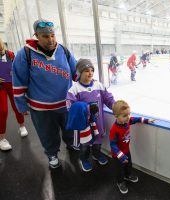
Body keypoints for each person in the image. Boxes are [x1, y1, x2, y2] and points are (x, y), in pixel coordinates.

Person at [12, 19, 77, 169]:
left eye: (52, 35)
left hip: (65, 103)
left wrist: (89, 85)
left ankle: (71, 144)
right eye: (45, 36)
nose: (51, 39)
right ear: (37, 36)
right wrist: (21, 105)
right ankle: (52, 154)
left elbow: (75, 73)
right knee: (47, 133)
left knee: (69, 127)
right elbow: (19, 81)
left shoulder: (64, 51)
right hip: (41, 108)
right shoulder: (25, 54)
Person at [66, 59, 115, 172]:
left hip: (98, 122)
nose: (90, 73)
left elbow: (108, 98)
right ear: (79, 73)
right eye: (86, 70)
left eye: (92, 70)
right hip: (85, 126)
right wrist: (85, 108)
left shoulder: (98, 85)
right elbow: (70, 107)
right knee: (85, 145)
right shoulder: (74, 89)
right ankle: (84, 159)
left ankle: (96, 154)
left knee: (98, 141)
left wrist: (114, 106)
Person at [109, 100, 155, 194]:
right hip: (118, 155)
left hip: (126, 150)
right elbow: (113, 144)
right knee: (120, 169)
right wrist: (121, 156)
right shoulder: (114, 130)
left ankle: (128, 175)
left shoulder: (127, 121)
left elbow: (135, 119)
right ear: (116, 116)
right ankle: (120, 182)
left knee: (128, 164)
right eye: (125, 115)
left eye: (128, 114)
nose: (128, 117)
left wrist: (146, 120)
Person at [0, 38, 28, 151]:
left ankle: (22, 126)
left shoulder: (10, 54)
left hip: (12, 83)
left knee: (17, 105)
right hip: (0, 86)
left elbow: (18, 68)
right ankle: (2, 138)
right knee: (3, 111)